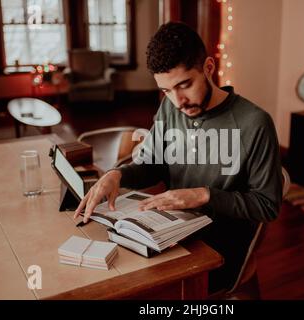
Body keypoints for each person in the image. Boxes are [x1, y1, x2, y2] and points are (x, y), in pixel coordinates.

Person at [74, 22, 283, 294]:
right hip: (168, 233)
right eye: (166, 91)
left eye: (185, 85)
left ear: (208, 68)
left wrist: (204, 195)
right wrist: (118, 175)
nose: (178, 101)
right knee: (99, 276)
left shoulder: (255, 123)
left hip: (216, 250)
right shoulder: (170, 109)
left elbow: (267, 206)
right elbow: (153, 167)